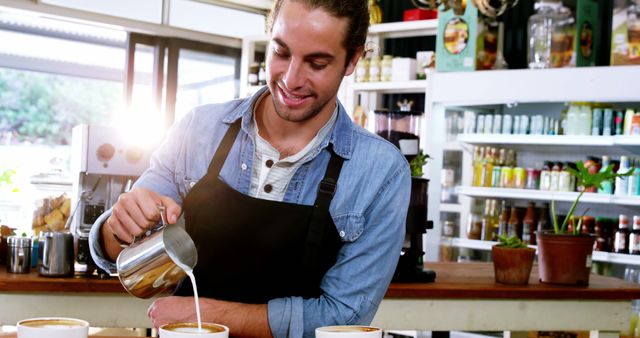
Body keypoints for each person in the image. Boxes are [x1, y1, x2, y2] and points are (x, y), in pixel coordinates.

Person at [89, 0, 411, 337]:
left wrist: (209, 316)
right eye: (281, 53)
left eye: (316, 63)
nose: (291, 79)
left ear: (353, 59)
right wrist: (118, 226)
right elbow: (118, 256)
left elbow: (343, 318)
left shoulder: (380, 172)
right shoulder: (198, 130)